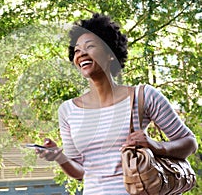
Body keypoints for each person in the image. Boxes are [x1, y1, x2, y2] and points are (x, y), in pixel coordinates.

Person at [36, 13, 198, 194]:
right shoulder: (68, 110)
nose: (81, 54)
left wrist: (155, 145)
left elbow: (189, 143)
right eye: (77, 50)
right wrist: (59, 156)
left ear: (110, 54)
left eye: (90, 46)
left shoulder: (143, 96)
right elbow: (81, 171)